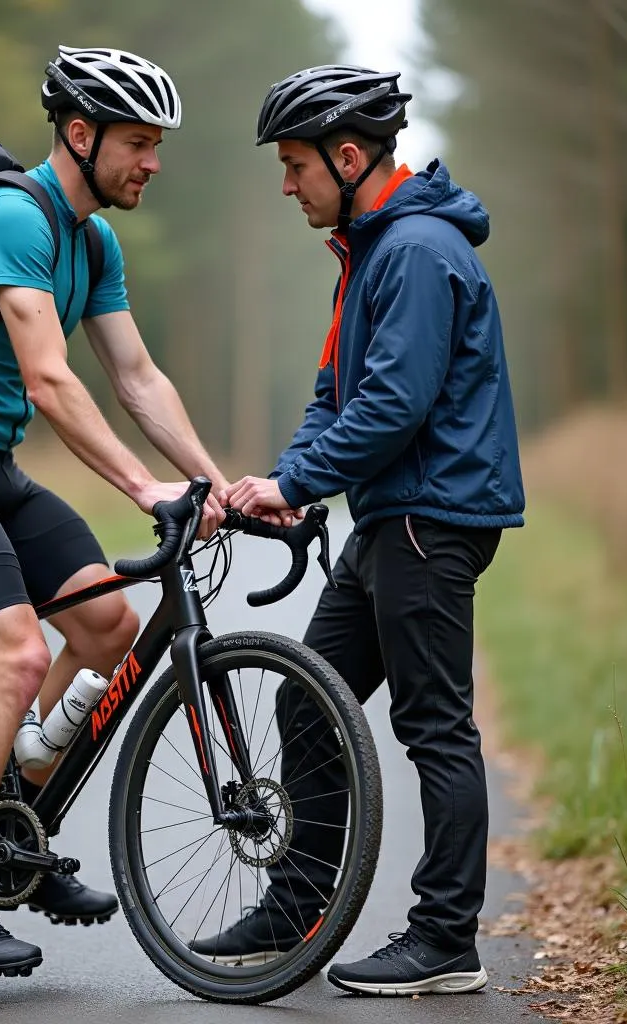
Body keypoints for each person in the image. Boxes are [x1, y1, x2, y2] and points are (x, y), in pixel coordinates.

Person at [0, 44, 228, 976]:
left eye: (157, 146)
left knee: (108, 625)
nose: (152, 163)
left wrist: (212, 482)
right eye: (139, 144)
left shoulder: (93, 241)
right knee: (19, 654)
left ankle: (4, 832)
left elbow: (137, 378)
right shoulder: (10, 218)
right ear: (80, 134)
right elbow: (50, 380)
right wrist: (145, 489)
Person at [206, 64, 525, 996]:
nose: (286, 183)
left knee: (433, 726)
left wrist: (302, 479)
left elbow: (393, 404)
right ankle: (298, 901)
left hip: (431, 517)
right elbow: (332, 396)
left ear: (349, 158)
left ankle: (445, 938)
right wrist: (290, 484)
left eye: (296, 163)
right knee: (309, 698)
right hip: (391, 516)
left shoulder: (416, 251)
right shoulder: (370, 250)